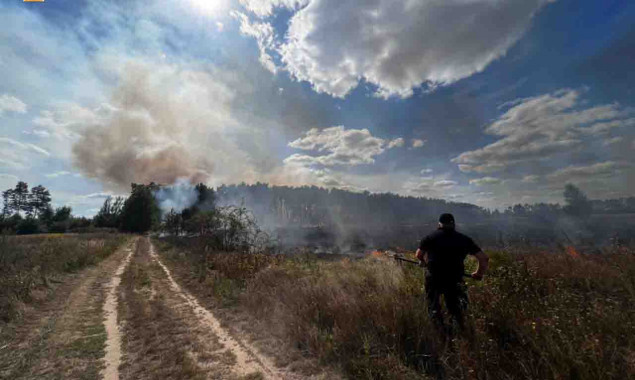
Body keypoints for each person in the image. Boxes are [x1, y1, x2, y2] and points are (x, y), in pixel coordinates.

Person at [416, 213, 489, 331]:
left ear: (439, 224)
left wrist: (423, 262)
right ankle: (460, 333)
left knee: (433, 305)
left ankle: (438, 332)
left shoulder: (430, 238)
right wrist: (479, 273)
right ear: (453, 224)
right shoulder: (464, 239)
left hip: (434, 278)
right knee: (457, 308)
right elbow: (483, 258)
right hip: (455, 278)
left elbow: (419, 254)